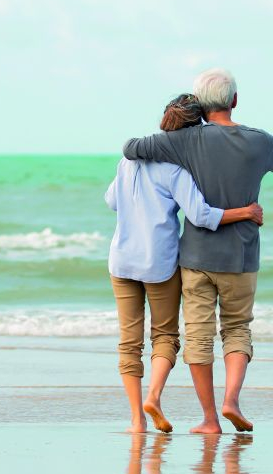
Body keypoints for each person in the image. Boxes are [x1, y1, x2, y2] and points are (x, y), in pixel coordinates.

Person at [123, 68, 273, 434]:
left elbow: (132, 148)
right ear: (234, 101)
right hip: (243, 257)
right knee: (237, 329)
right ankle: (232, 399)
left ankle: (211, 419)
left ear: (201, 104)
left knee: (198, 336)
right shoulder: (261, 141)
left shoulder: (185, 142)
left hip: (197, 258)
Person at [105, 94, 263, 434]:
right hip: (158, 263)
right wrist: (246, 212)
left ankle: (136, 419)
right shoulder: (176, 169)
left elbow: (111, 201)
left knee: (129, 340)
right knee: (165, 335)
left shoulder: (126, 163)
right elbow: (202, 216)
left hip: (121, 260)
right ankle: (154, 396)